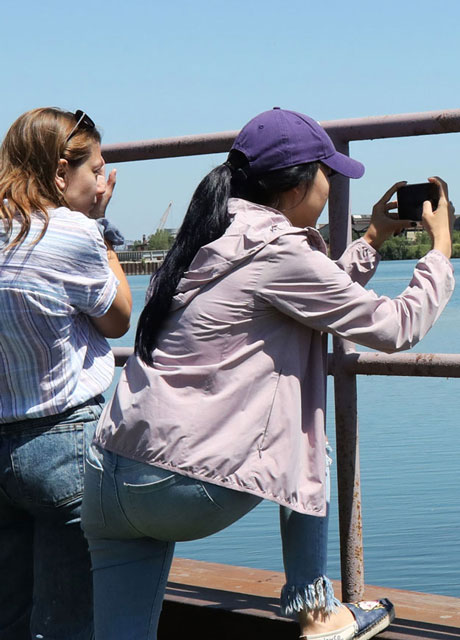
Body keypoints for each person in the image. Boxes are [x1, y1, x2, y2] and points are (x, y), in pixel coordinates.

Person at [81, 108, 454, 640]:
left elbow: (307, 297)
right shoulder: (277, 249)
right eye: (328, 173)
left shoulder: (207, 236)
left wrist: (371, 237)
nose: (331, 184)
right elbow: (396, 327)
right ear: (298, 183)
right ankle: (318, 613)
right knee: (308, 440)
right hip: (180, 489)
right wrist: (440, 249)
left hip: (109, 478)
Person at [0, 107, 132, 639]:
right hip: (62, 445)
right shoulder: (72, 232)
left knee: (9, 618)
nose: (102, 180)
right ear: (60, 173)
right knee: (67, 626)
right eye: (95, 170)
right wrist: (98, 226)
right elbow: (120, 316)